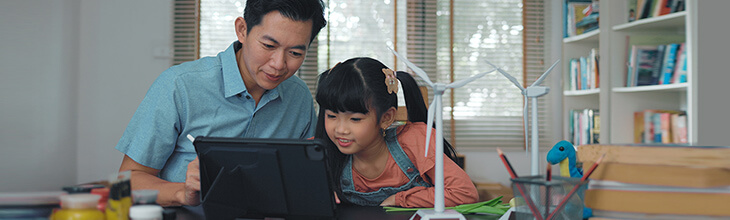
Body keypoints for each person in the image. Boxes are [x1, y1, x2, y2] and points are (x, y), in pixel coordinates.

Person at [115, 0, 327, 207]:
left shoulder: (299, 97)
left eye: (296, 53)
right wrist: (183, 193)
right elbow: (130, 180)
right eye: (269, 46)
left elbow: (308, 175)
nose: (279, 64)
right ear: (242, 30)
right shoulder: (180, 86)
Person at [314, 57, 479, 207]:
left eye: (355, 119)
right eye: (331, 116)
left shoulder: (415, 141)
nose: (341, 129)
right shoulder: (318, 150)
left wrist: (399, 199)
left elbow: (464, 193)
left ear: (386, 118)